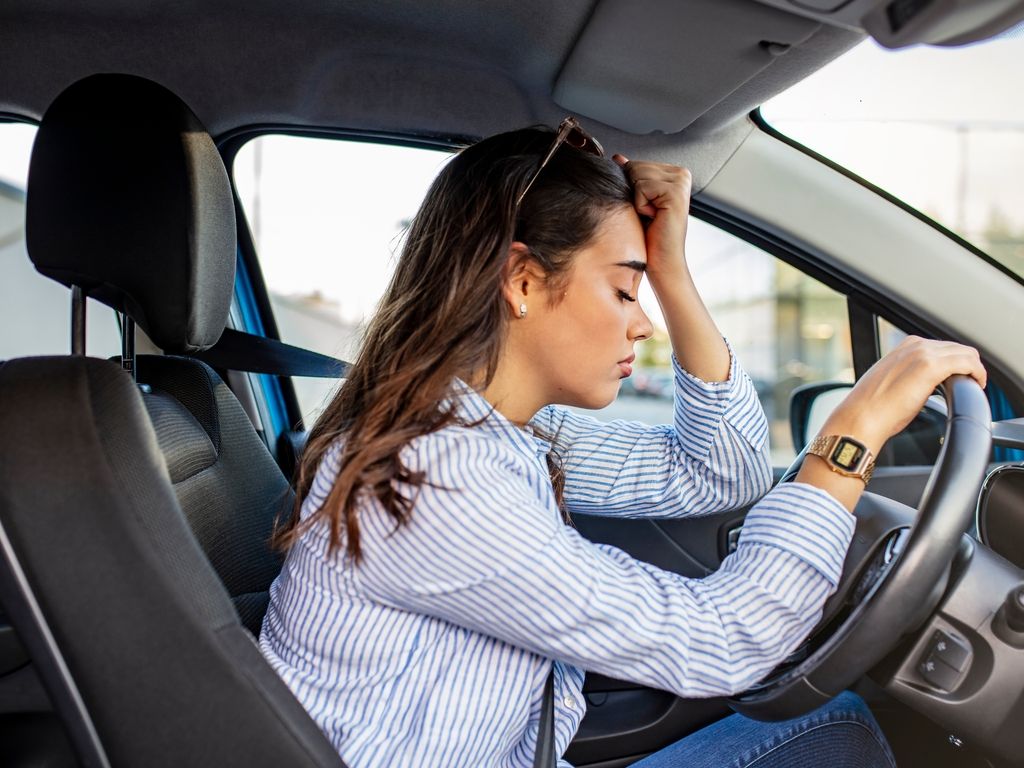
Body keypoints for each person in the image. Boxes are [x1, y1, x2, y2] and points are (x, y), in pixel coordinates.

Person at [259, 118, 986, 767]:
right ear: (521, 279)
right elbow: (723, 641)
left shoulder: (500, 429)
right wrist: (851, 435)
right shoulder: (434, 475)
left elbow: (719, 473)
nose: (643, 325)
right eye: (623, 291)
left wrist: (667, 267)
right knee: (845, 738)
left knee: (844, 726)